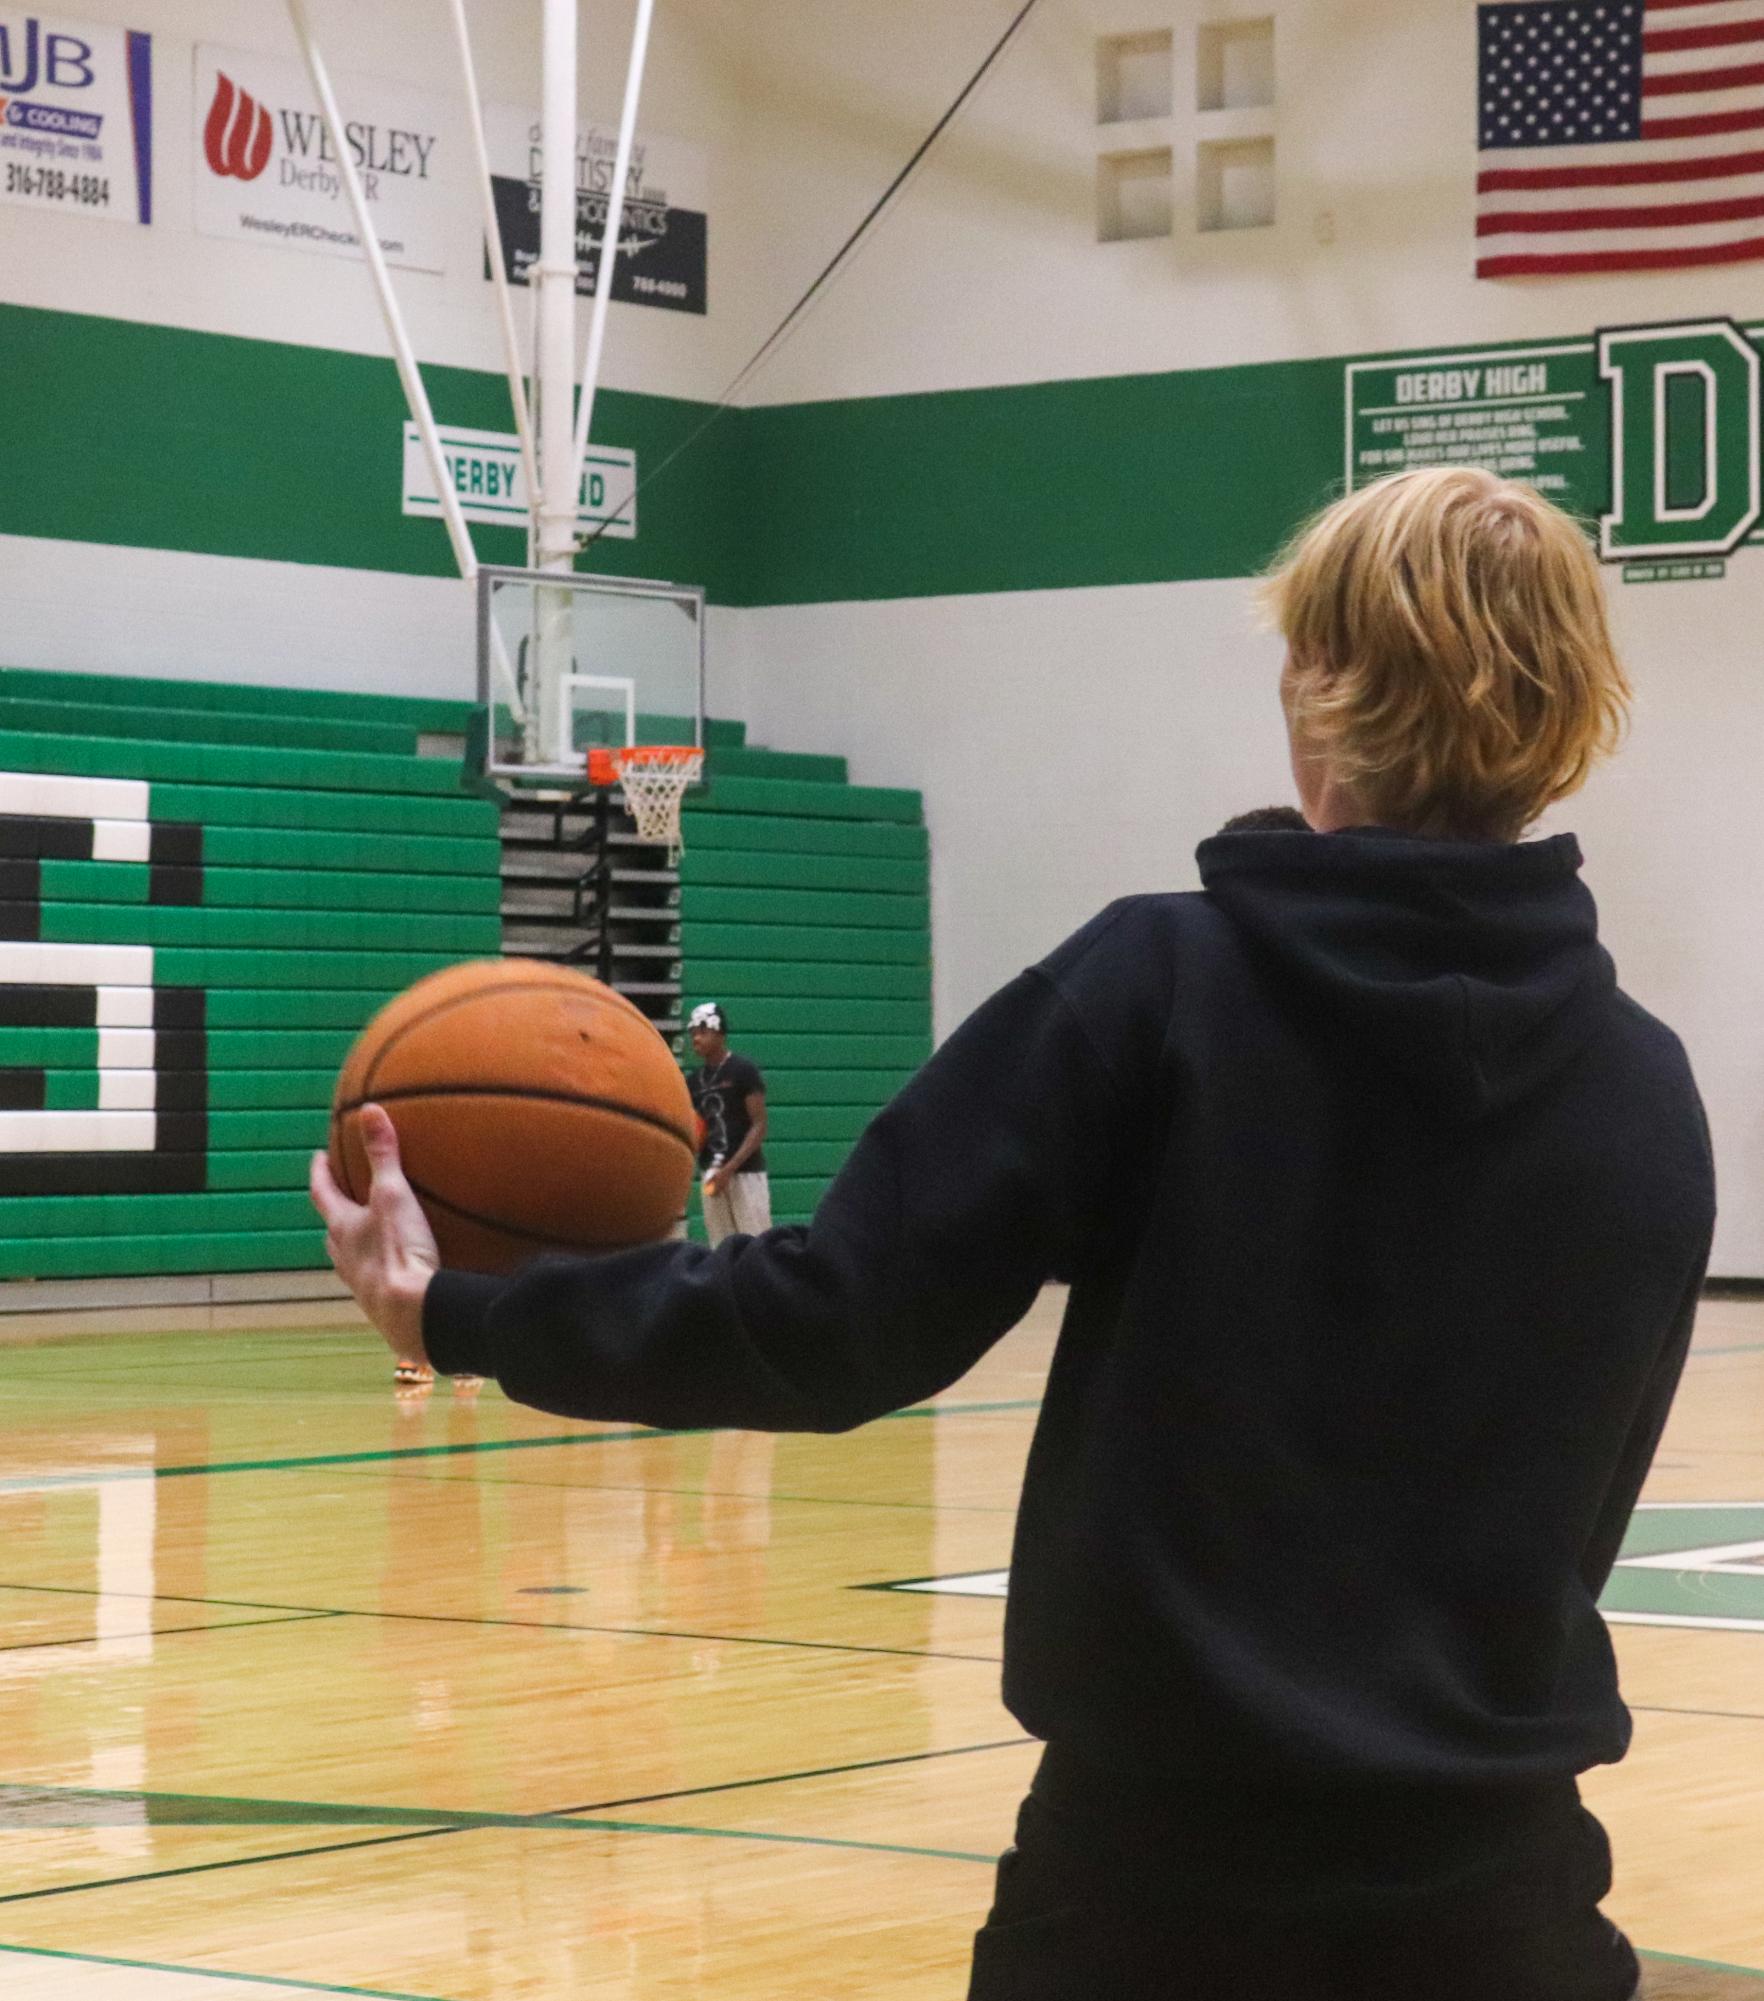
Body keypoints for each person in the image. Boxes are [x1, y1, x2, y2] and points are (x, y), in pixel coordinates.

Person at [312, 467, 1713, 2001]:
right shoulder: (1648, 1088)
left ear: (1317, 691)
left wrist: (467, 1314)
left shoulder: (1154, 989)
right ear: (1568, 714)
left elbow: (837, 1320)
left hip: (1158, 1901)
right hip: (1504, 1913)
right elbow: (1578, 1522)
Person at [682, 1001, 771, 1245]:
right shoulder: (692, 1082)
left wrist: (729, 1169)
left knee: (755, 1245)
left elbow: (759, 1125)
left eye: (702, 1031)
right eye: (693, 1033)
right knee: (720, 1248)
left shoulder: (743, 1070)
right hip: (712, 1175)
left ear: (720, 1032)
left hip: (745, 1174)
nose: (696, 1038)